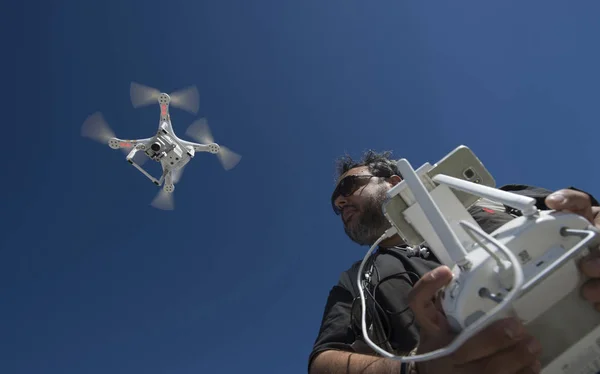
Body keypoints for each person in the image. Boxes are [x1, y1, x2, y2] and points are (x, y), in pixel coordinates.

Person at [308, 150, 600, 374]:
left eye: (347, 188)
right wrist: (416, 369)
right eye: (336, 206)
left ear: (395, 181)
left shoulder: (503, 199)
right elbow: (324, 362)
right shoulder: (358, 280)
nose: (340, 203)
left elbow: (591, 214)